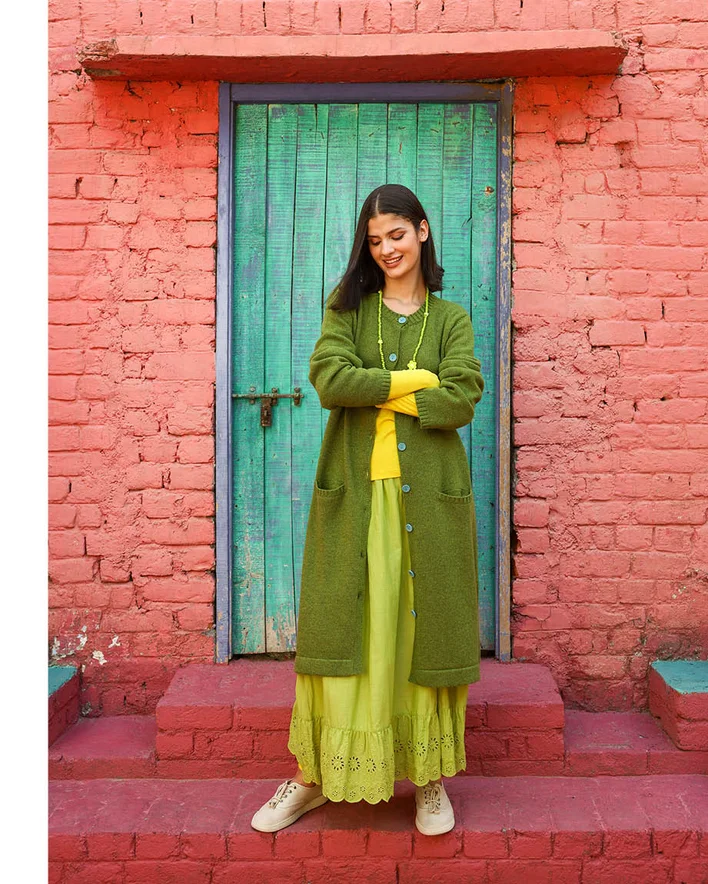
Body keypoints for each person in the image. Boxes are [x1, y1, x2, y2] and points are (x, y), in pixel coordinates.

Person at [251, 183, 484, 836]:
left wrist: (379, 389)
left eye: (398, 235)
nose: (387, 249)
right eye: (376, 240)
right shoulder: (348, 310)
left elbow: (464, 395)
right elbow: (331, 381)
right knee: (345, 636)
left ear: (423, 232)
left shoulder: (452, 319)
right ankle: (312, 779)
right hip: (356, 500)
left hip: (428, 506)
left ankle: (429, 782)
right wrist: (415, 382)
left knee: (419, 638)